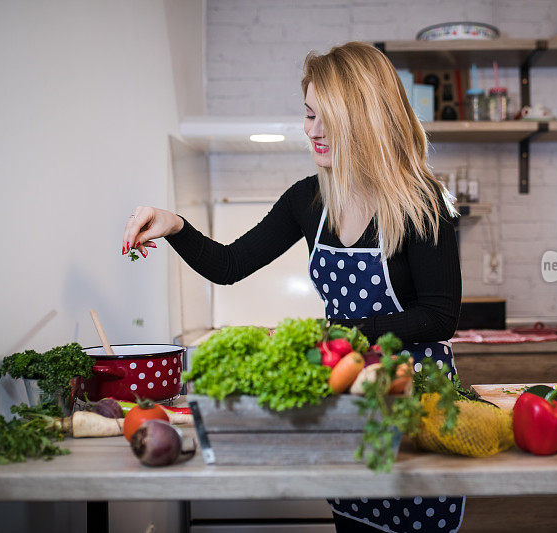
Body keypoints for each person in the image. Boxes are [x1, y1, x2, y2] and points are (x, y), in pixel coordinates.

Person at [121, 41, 464, 533]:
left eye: (328, 117)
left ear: (364, 119)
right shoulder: (307, 199)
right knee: (357, 522)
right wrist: (176, 224)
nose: (313, 130)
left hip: (417, 397)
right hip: (347, 395)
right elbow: (230, 263)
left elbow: (440, 314)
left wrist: (341, 335)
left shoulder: (422, 201)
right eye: (308, 114)